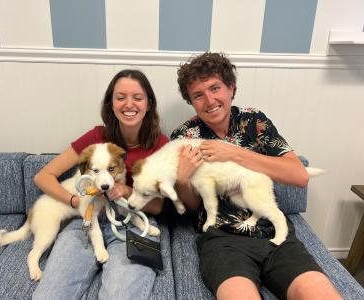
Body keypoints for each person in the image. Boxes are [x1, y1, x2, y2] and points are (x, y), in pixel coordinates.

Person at [171, 52, 342, 300]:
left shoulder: (255, 121)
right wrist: (183, 181)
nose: (209, 100)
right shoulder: (186, 137)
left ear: (231, 88)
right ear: (192, 102)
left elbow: (299, 176)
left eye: (215, 88)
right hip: (222, 240)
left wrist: (234, 154)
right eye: (198, 95)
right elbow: (193, 206)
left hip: (274, 233)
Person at [32, 69, 168, 300]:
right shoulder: (96, 138)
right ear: (111, 104)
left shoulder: (160, 144)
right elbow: (42, 177)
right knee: (50, 294)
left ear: (149, 104)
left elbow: (157, 208)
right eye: (120, 97)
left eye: (138, 97)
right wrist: (76, 201)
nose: (129, 104)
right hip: (87, 220)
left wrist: (127, 190)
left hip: (133, 223)